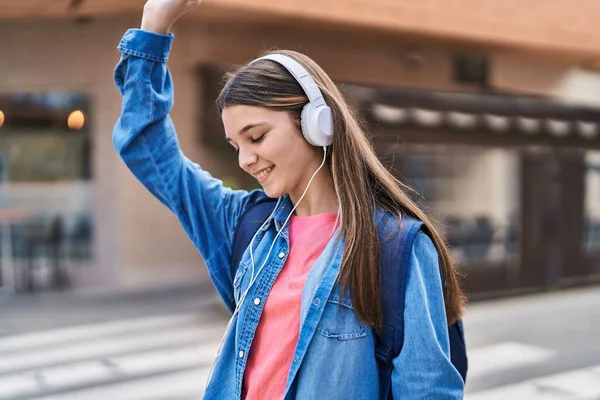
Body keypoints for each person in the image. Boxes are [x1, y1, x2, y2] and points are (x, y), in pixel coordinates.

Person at [112, 0, 467, 398]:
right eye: (235, 145)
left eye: (257, 136)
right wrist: (154, 24)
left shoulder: (396, 248)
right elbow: (146, 146)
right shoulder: (243, 224)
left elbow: (427, 391)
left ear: (318, 124)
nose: (246, 160)